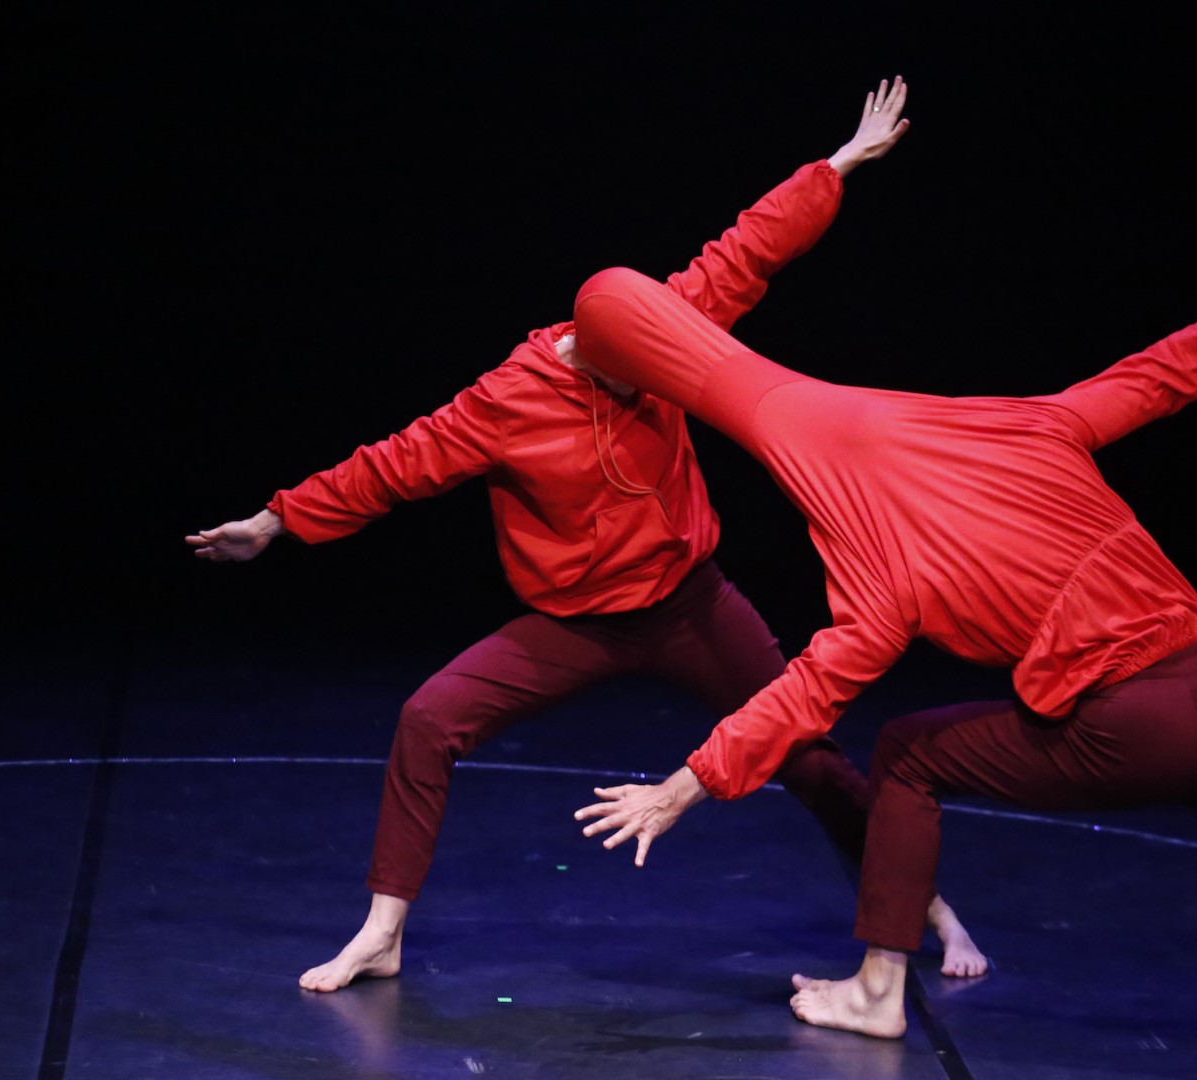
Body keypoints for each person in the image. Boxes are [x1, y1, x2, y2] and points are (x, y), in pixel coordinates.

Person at [567, 195, 1197, 1052]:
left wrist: (685, 784)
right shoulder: (1032, 426)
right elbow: (1165, 373)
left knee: (910, 756)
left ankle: (879, 991)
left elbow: (807, 692)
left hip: (1129, 726)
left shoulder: (882, 569)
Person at [188, 78, 987, 992]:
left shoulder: (657, 331)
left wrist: (839, 164)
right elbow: (394, 464)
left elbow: (745, 252)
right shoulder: (507, 402)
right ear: (589, 349)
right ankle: (382, 932)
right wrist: (276, 521)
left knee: (805, 752)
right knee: (428, 719)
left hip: (691, 606)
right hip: (574, 624)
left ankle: (926, 908)